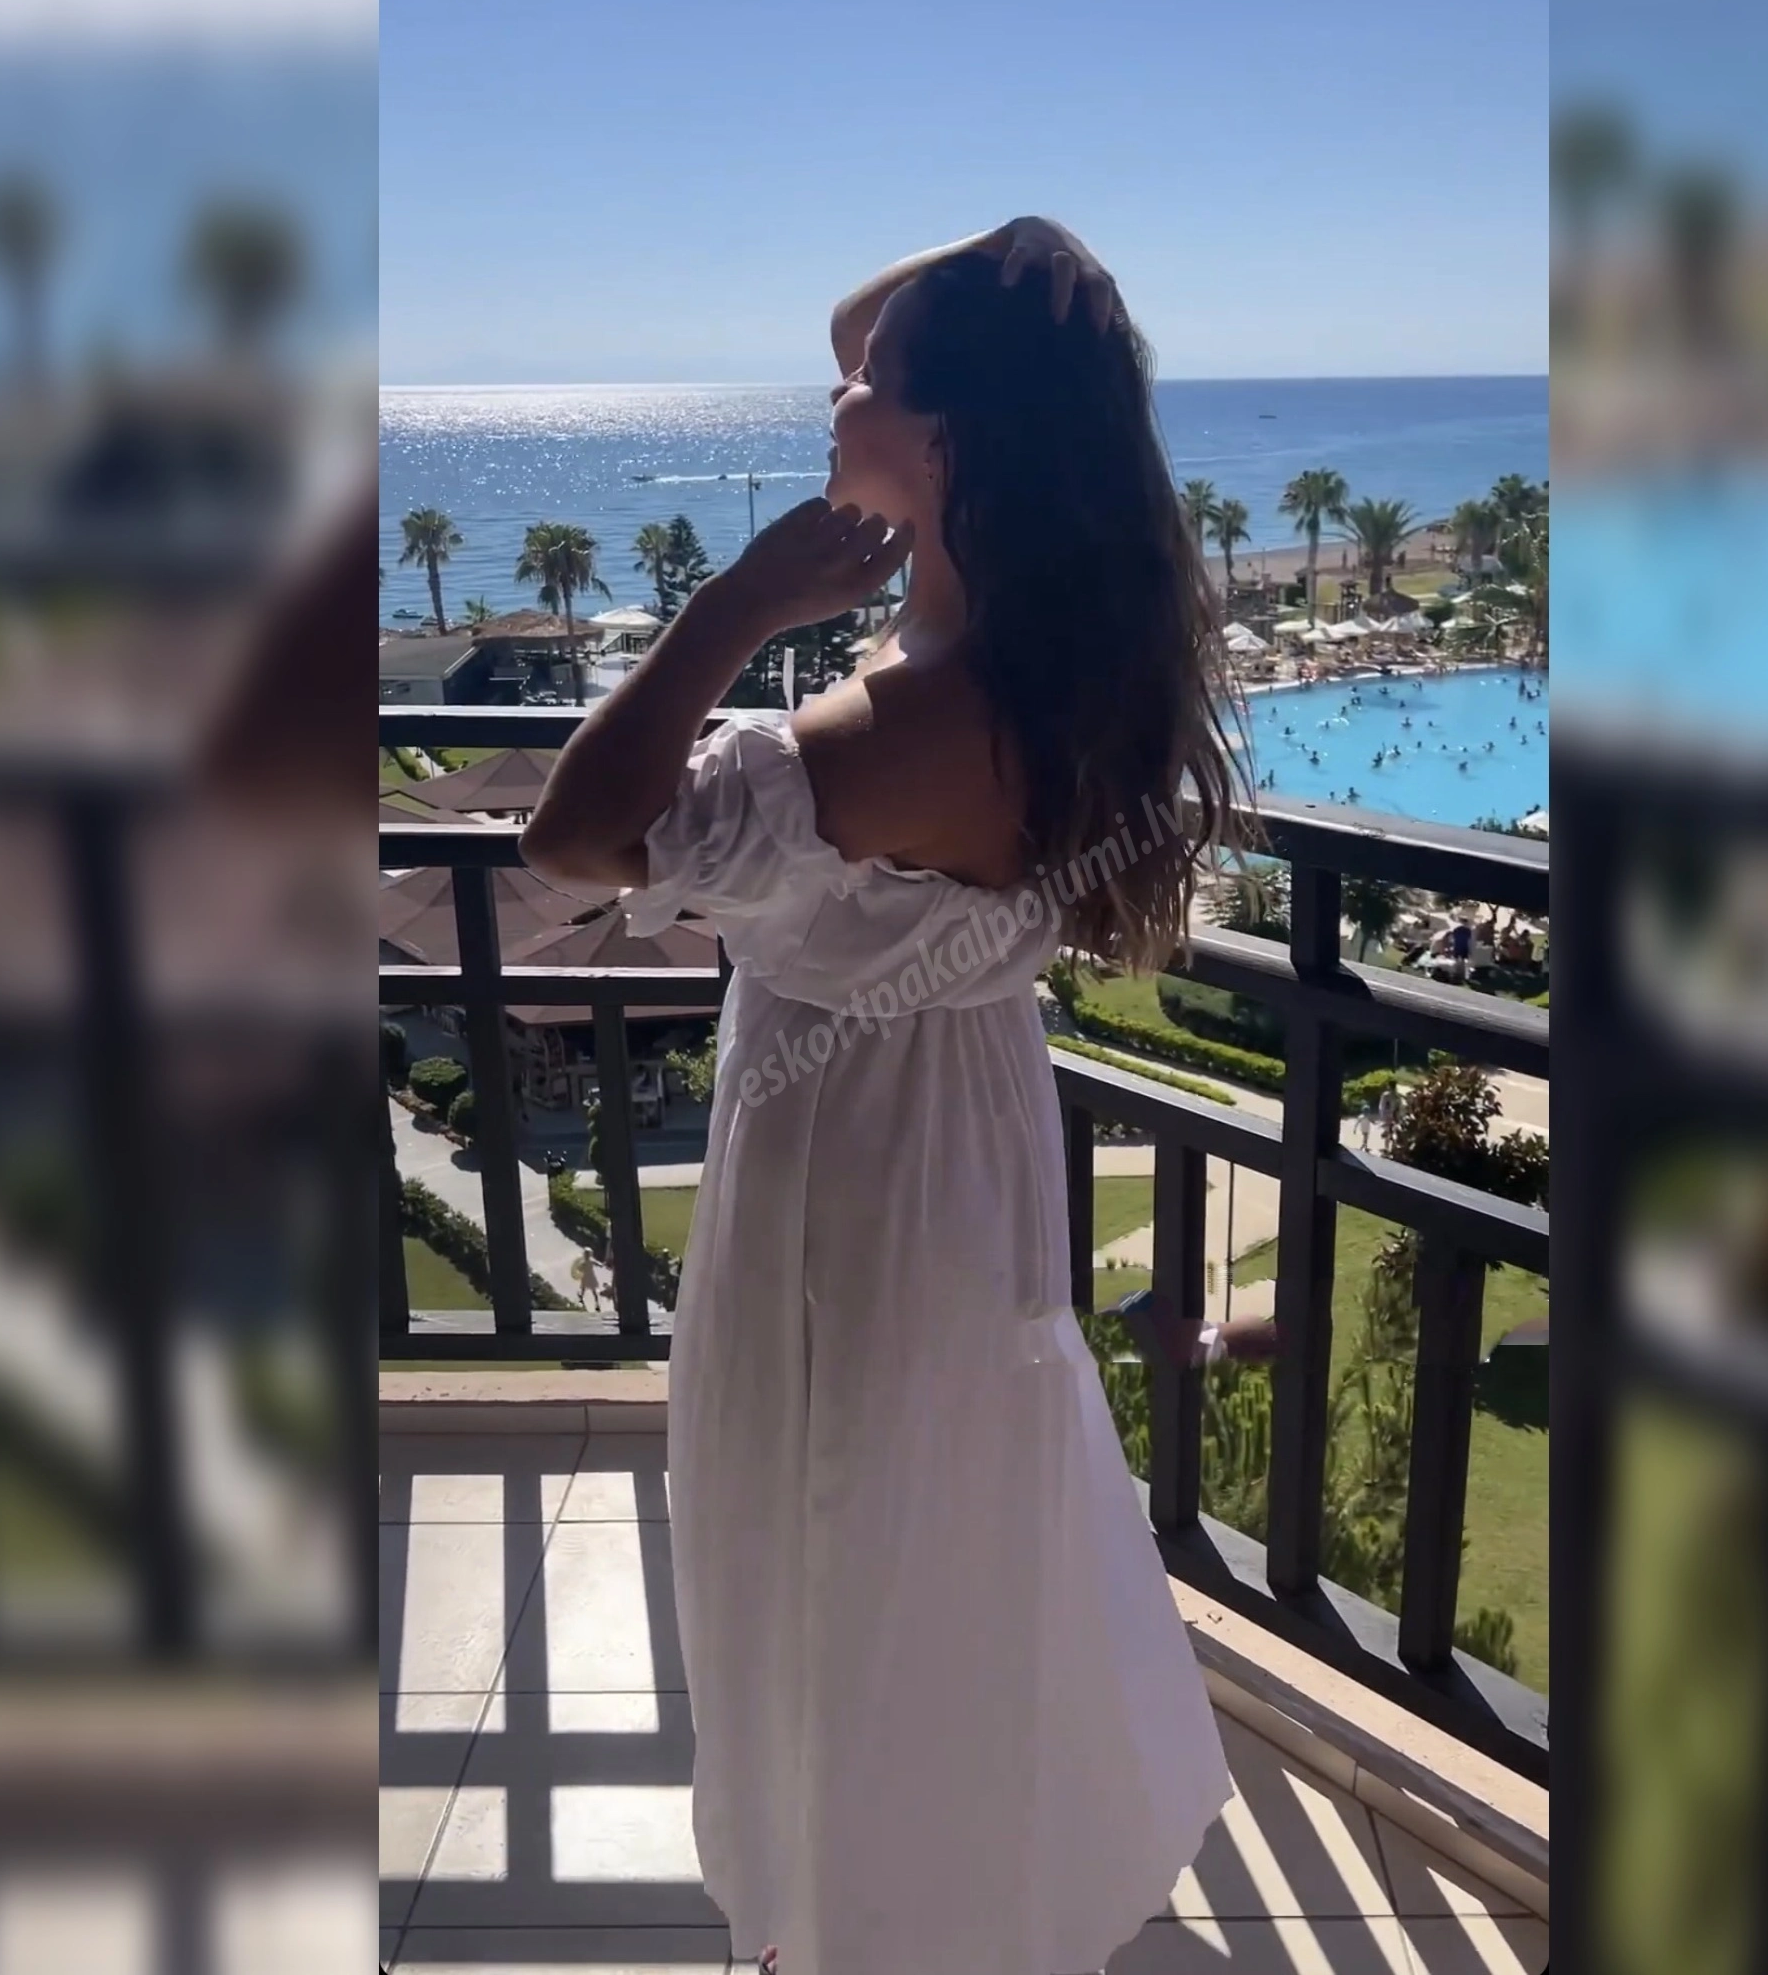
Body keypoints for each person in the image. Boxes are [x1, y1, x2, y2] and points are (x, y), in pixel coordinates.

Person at [522, 216, 1237, 1975]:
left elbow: (575, 838)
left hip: (851, 1171)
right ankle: (905, 1894)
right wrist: (1012, 247)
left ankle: (853, 1915)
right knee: (937, 1535)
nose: (834, 389)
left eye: (870, 386)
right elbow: (861, 317)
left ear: (950, 445)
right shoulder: (1056, 662)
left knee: (825, 1532)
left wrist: (737, 604)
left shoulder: (888, 735)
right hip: (961, 1130)